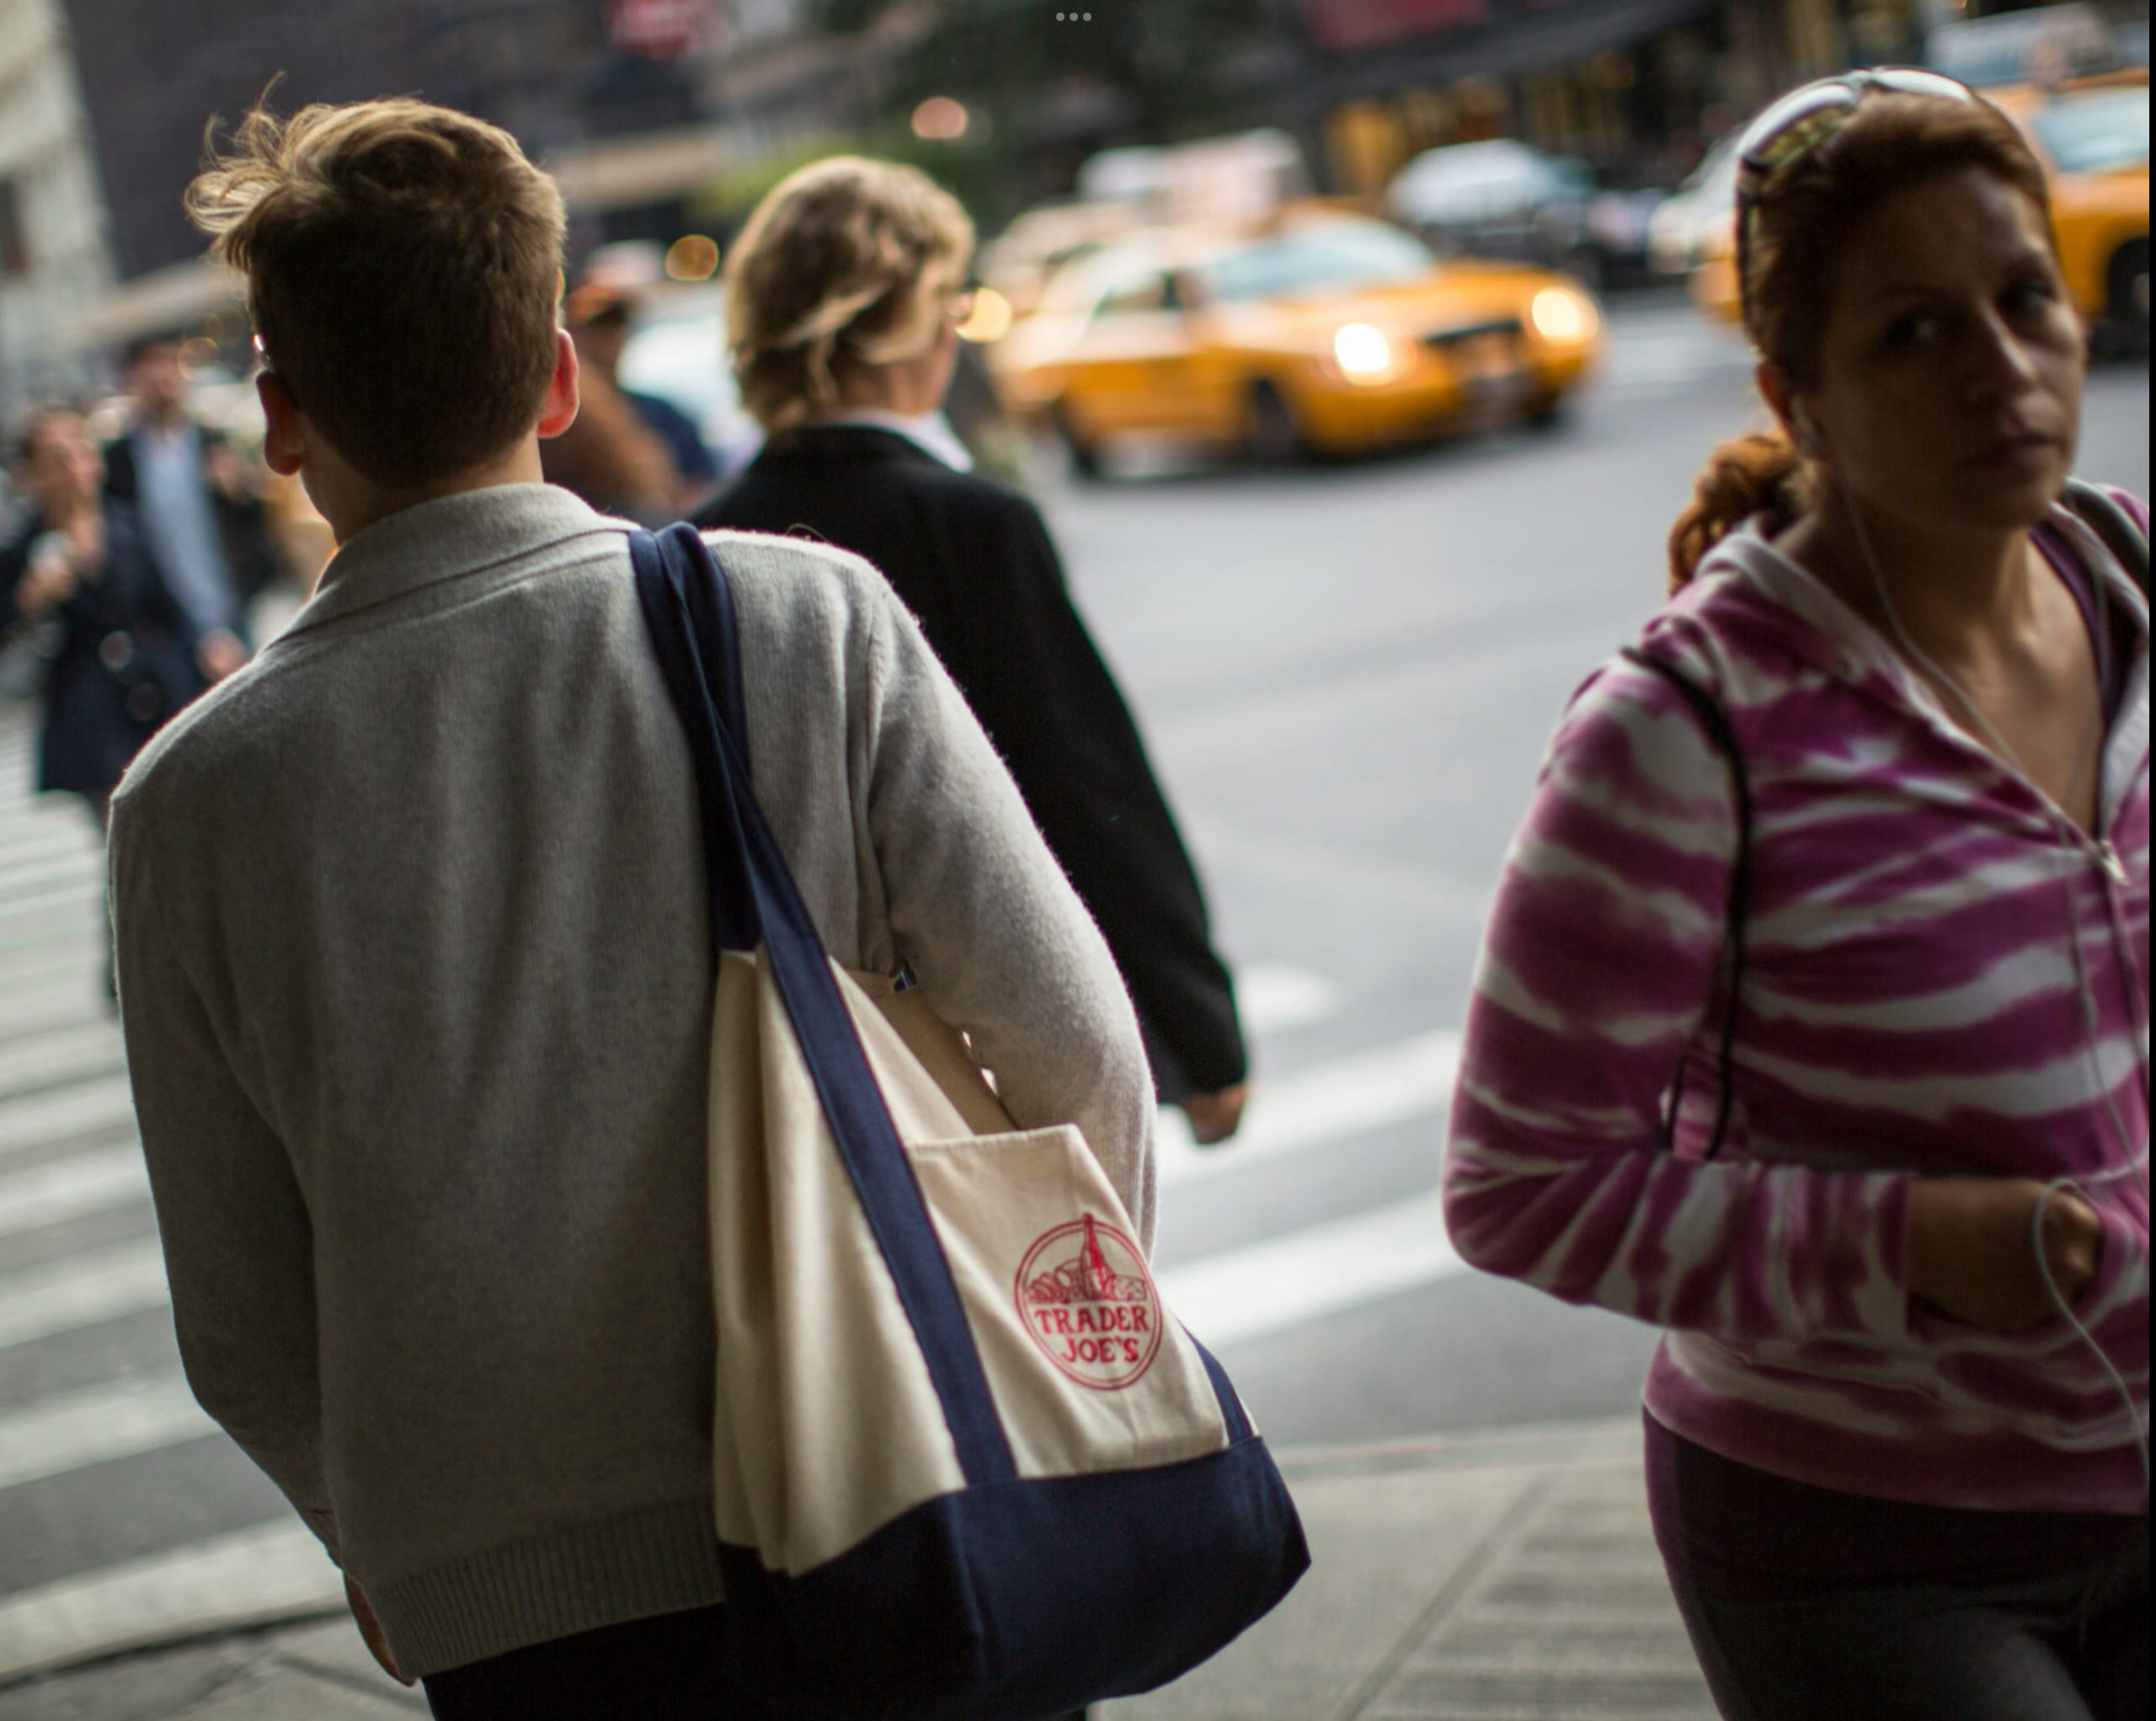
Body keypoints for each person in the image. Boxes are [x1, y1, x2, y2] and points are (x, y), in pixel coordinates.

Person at [111, 96, 1155, 1720]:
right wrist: (1051, 1368)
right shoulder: (804, 622)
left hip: (522, 1616)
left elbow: (241, 1322)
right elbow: (1077, 1048)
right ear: (556, 375)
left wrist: (376, 1539)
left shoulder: (189, 801)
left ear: (282, 417)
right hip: (906, 1496)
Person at [1444, 72, 2146, 1720]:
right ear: (1796, 393)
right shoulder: (1683, 733)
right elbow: (1516, 1183)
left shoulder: (2132, 585)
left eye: (2022, 298)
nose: (2000, 367)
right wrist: (1905, 1243)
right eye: (1913, 331)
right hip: (1867, 1542)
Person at [699, 157, 1252, 1146]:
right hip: (990, 1039)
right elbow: (1085, 788)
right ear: (901, 323)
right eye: (950, 301)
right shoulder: (970, 523)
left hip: (802, 1059)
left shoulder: (701, 547)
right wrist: (1198, 1033)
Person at [0, 407, 214, 995]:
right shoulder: (26, 547)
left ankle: (138, 957)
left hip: (148, 697)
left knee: (158, 832)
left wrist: (208, 647)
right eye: (57, 458)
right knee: (122, 828)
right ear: (35, 474)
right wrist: (30, 599)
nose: (76, 466)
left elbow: (167, 604)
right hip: (88, 716)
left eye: (81, 450)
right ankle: (136, 962)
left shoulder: (124, 522)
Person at [102, 332, 273, 666]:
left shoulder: (212, 441)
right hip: (170, 627)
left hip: (239, 607)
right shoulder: (119, 461)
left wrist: (239, 488)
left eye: (169, 363)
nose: (162, 376)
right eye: (151, 366)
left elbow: (256, 517)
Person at [563, 279, 723, 505]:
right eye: (595, 329)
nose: (607, 341)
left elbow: (704, 490)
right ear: (570, 335)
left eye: (615, 327)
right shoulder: (557, 420)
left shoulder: (664, 416)